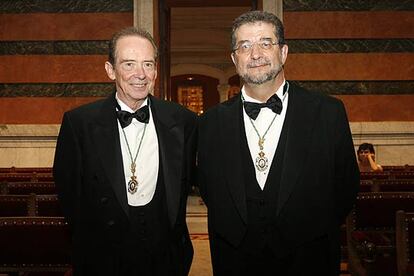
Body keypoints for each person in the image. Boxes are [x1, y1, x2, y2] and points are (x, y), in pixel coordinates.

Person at [197, 10, 359, 275]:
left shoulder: (328, 112)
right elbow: (208, 187)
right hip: (235, 260)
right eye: (245, 46)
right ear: (234, 59)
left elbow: (346, 186)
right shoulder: (209, 122)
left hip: (309, 258)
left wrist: (308, 231)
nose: (256, 54)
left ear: (283, 53)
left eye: (265, 43)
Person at [53, 27, 196, 276]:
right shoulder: (80, 123)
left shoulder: (183, 120)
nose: (140, 74)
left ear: (155, 71)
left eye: (148, 64)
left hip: (167, 258)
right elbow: (69, 194)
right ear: (110, 70)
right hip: (102, 258)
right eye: (129, 64)